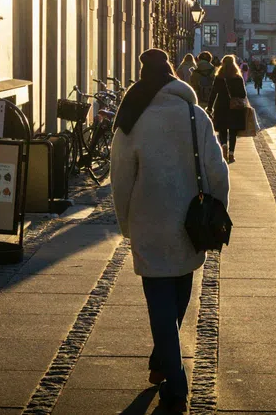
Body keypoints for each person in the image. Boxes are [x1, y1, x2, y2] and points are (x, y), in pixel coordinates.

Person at [111, 48, 230, 414]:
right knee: (177, 298)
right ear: (174, 80)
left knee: (160, 304)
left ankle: (170, 373)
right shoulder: (196, 116)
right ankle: (172, 374)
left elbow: (119, 177)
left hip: (149, 221)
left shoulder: (132, 119)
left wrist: (125, 221)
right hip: (190, 224)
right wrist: (216, 208)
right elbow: (218, 171)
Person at [208, 56, 248, 163]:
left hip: (221, 106)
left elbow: (213, 93)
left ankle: (224, 146)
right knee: (233, 131)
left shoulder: (219, 77)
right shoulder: (237, 77)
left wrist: (210, 107)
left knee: (222, 129)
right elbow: (243, 94)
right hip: (234, 107)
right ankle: (231, 154)